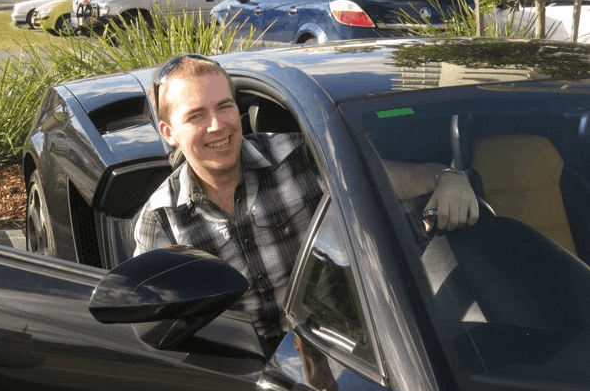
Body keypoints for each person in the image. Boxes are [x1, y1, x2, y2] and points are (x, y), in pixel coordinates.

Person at [133, 53, 478, 347]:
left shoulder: (298, 155)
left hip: (338, 348)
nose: (216, 126)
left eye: (224, 107)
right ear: (169, 133)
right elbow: (154, 327)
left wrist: (448, 178)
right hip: (239, 375)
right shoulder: (161, 220)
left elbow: (393, 180)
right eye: (196, 116)